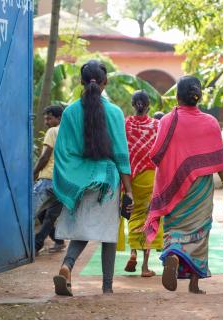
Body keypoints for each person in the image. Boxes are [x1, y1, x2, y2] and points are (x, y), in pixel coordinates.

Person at [144, 76, 223, 294]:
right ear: (199, 96)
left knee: (174, 228)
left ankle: (174, 254)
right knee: (200, 231)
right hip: (201, 187)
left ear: (177, 96)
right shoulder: (211, 122)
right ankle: (194, 283)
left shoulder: (167, 120)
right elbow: (221, 161)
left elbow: (156, 154)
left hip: (174, 185)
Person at [52, 60, 133, 296]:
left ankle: (67, 265)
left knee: (82, 229)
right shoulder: (115, 112)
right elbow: (121, 154)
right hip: (107, 179)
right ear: (105, 82)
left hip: (79, 180)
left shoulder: (69, 112)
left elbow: (62, 152)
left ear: (81, 81)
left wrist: (70, 178)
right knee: (108, 233)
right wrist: (128, 191)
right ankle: (107, 287)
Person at [121, 91, 163, 277]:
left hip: (130, 177)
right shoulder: (156, 125)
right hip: (150, 176)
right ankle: (145, 267)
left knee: (133, 214)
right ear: (149, 106)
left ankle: (132, 252)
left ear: (132, 105)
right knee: (150, 217)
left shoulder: (125, 124)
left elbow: (120, 151)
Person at [32, 105, 66, 255]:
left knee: (29, 212)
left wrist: (33, 173)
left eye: (49, 118)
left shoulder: (53, 131)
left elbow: (45, 156)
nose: (46, 121)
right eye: (45, 118)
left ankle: (23, 249)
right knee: (49, 216)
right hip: (63, 182)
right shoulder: (70, 133)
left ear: (59, 118)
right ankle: (39, 244)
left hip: (48, 179)